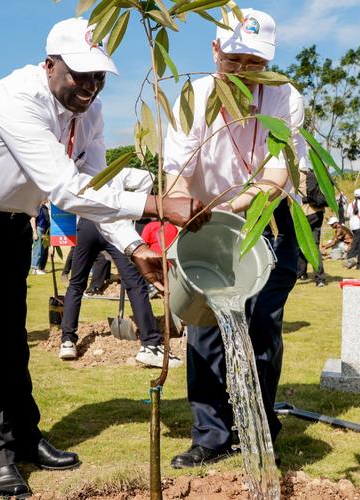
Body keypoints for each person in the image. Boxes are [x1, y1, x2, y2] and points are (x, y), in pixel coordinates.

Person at [0, 18, 209, 498]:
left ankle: (26, 437)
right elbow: (65, 189)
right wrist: (158, 204)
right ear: (50, 64)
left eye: (99, 77)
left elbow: (97, 186)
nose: (90, 88)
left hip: (11, 217)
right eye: (80, 75)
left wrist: (134, 247)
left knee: (12, 329)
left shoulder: (89, 115)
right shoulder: (16, 99)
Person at [163, 8, 306, 468]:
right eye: (234, 59)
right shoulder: (195, 96)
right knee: (204, 328)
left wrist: (241, 204)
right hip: (207, 222)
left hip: (267, 220)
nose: (244, 72)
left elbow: (280, 170)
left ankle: (259, 425)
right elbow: (177, 173)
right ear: (214, 51)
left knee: (263, 325)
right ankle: (210, 433)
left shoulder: (285, 96)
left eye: (254, 63)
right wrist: (185, 203)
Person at [59, 167, 182, 368]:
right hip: (115, 224)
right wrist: (130, 209)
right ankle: (151, 344)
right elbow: (146, 177)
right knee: (135, 284)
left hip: (88, 224)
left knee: (77, 283)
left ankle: (67, 340)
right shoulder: (118, 171)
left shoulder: (81, 170)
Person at [297, 169, 327, 286]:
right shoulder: (314, 173)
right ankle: (320, 278)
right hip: (318, 212)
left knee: (301, 243)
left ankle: (301, 273)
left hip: (305, 213)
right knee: (314, 245)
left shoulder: (298, 174)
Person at [343, 188, 360, 269]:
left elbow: (348, 215)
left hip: (352, 225)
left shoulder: (350, 204)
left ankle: (353, 255)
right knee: (358, 241)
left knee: (357, 240)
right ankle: (351, 255)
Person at [30, 201, 50, 274]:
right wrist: (34, 232)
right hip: (39, 229)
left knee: (43, 250)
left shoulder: (45, 207)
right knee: (38, 249)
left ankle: (40, 267)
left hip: (45, 230)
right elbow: (33, 219)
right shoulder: (37, 206)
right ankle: (35, 269)